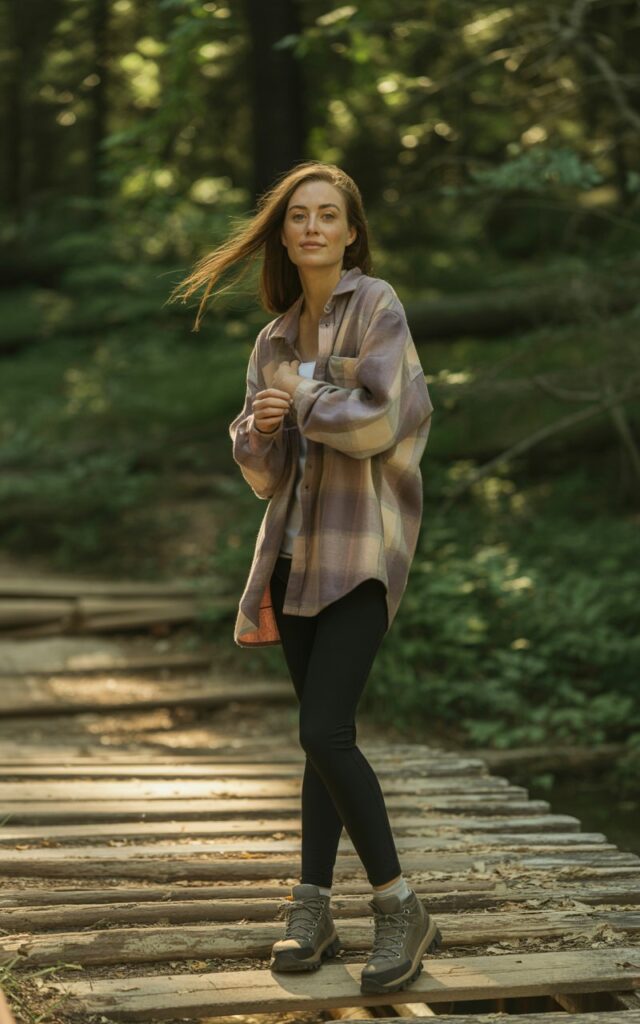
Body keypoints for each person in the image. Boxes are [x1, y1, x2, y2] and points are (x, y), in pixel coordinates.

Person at [174, 160, 440, 995]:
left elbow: (384, 419)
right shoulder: (274, 337)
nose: (314, 227)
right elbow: (263, 473)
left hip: (362, 549)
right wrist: (257, 427)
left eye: (330, 215)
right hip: (290, 556)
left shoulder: (379, 306)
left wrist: (308, 397)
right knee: (320, 740)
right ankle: (313, 903)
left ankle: (400, 905)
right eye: (299, 216)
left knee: (323, 731)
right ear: (284, 234)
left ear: (351, 230)